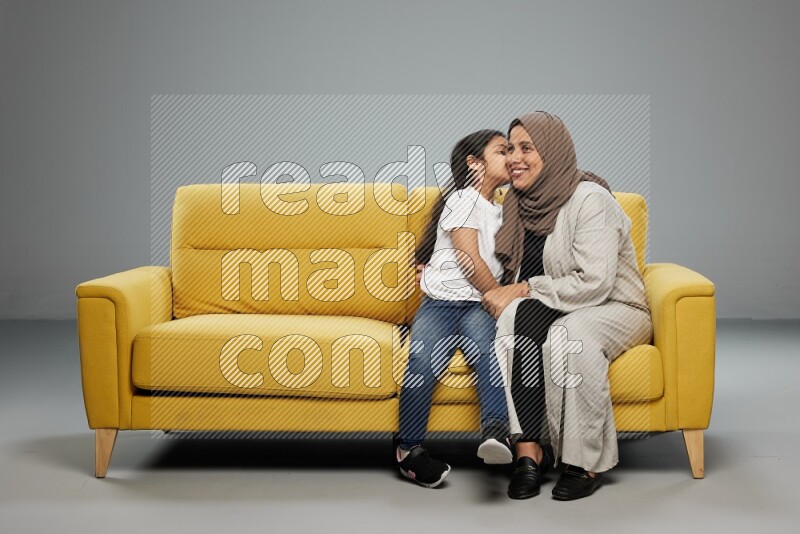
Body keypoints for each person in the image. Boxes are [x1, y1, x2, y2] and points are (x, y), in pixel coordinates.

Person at [480, 111, 653, 501]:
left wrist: (524, 287)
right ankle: (529, 452)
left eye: (527, 148)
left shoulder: (591, 201)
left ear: (553, 151)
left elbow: (594, 282)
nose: (514, 158)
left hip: (614, 306)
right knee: (512, 320)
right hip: (563, 302)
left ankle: (583, 460)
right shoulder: (518, 204)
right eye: (510, 149)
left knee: (568, 335)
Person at [396, 129, 513, 488]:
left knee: (490, 354)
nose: (511, 157)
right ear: (474, 163)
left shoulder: (504, 207)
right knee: (422, 362)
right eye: (502, 151)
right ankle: (408, 452)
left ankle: (496, 432)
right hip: (442, 306)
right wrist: (499, 295)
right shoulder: (463, 198)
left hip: (477, 305)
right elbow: (467, 259)